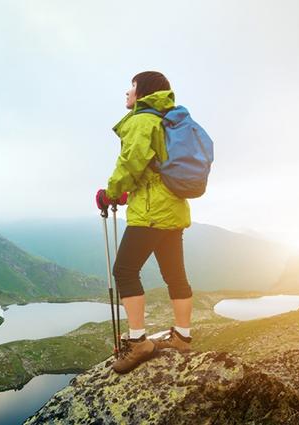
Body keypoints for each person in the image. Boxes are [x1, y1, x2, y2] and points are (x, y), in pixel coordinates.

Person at [95, 71, 193, 374]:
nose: (128, 92)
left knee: (124, 270)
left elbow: (131, 163)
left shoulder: (142, 121)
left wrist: (110, 193)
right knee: (175, 275)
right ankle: (182, 337)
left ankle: (139, 342)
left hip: (150, 213)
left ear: (144, 91)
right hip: (173, 212)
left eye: (133, 86)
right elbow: (152, 168)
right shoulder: (167, 122)